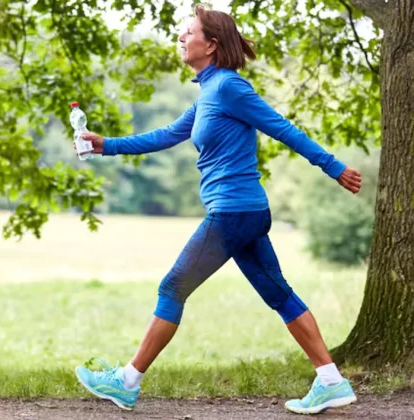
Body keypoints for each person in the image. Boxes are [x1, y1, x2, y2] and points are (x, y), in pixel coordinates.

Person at [74, 4, 362, 416]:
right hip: (243, 213)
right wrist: (106, 145)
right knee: (278, 294)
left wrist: (333, 167)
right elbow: (168, 134)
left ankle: (127, 382)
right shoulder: (208, 92)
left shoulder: (229, 87)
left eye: (188, 31)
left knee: (173, 288)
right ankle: (332, 381)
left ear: (210, 45)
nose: (181, 37)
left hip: (232, 212)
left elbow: (281, 127)